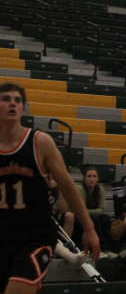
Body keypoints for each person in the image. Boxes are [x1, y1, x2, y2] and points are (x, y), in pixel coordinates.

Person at [0, 82, 100, 293]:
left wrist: (89, 228)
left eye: (17, 100)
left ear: (23, 108)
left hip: (35, 237)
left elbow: (68, 187)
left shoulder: (39, 142)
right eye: (6, 99)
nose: (12, 104)